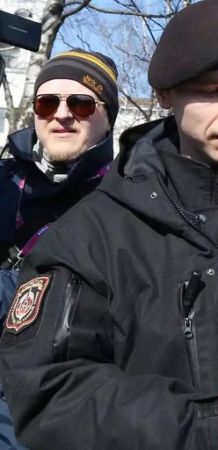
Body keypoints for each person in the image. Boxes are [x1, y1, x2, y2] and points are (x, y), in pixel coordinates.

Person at [0, 1, 218, 448]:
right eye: (212, 91)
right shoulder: (92, 234)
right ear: (165, 95)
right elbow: (48, 391)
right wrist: (208, 426)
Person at [0, 49, 119, 450]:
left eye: (82, 103)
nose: (62, 114)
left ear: (108, 117)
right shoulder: (4, 183)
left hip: (57, 417)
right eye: (47, 102)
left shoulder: (130, 204)